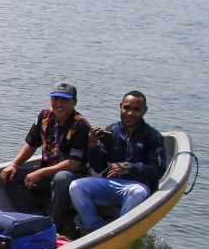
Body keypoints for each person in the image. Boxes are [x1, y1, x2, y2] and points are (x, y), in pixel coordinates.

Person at [0, 81, 91, 235]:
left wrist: (40, 173)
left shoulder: (80, 125)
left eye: (64, 100)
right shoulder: (45, 116)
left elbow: (74, 164)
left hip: (73, 176)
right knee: (10, 176)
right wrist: (14, 164)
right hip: (47, 170)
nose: (58, 104)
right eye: (55, 99)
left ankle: (53, 227)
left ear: (74, 102)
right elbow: (31, 144)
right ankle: (37, 219)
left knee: (61, 178)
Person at [69, 91, 166, 234]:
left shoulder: (152, 136)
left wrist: (130, 167)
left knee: (136, 192)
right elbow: (98, 165)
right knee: (76, 186)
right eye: (127, 108)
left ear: (144, 111)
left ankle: (120, 231)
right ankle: (95, 227)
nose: (130, 113)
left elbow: (158, 170)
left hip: (136, 186)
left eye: (136, 109)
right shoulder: (111, 131)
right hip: (110, 184)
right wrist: (93, 146)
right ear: (120, 107)